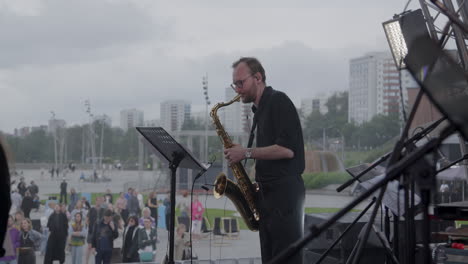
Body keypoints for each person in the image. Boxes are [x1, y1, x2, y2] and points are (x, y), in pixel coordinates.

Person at [224, 57, 305, 264]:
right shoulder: (259, 110)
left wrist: (246, 153)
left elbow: (287, 151)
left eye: (241, 83)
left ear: (257, 78)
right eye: (235, 84)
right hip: (269, 197)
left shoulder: (279, 101)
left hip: (284, 198)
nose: (237, 89)